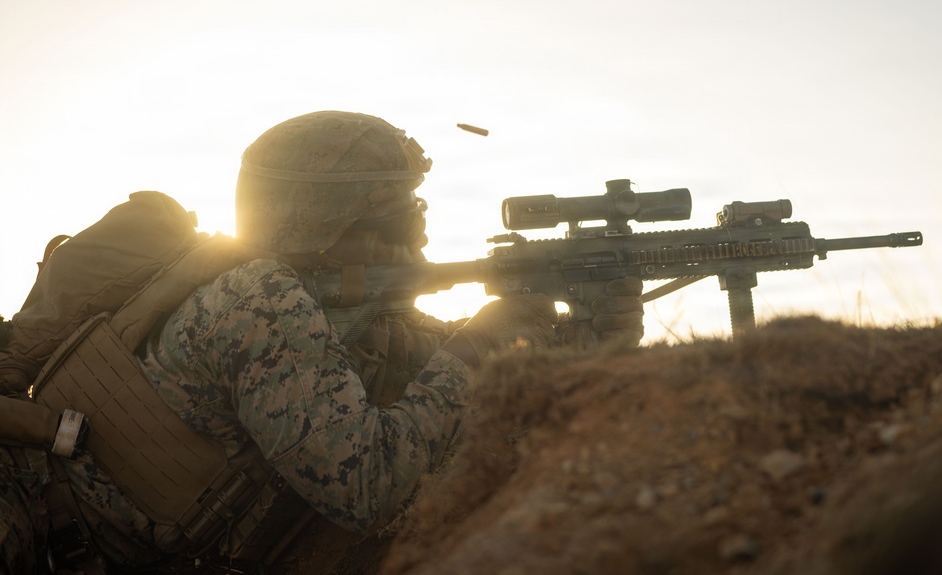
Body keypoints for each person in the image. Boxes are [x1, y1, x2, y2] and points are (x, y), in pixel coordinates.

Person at [0, 110, 643, 573]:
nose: (421, 232)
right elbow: (368, 487)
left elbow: (493, 398)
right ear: (325, 227)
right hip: (31, 525)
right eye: (402, 215)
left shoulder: (353, 319)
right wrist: (482, 342)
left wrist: (597, 328)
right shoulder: (258, 301)